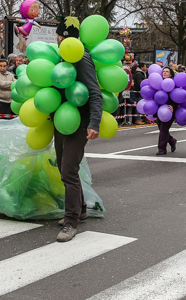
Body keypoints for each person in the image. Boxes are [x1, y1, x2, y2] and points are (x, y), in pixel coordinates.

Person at [54, 16, 102, 242]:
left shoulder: (80, 56)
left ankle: (71, 221)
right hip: (62, 120)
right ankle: (80, 209)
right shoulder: (63, 56)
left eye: (59, 35)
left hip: (78, 122)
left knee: (69, 171)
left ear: (62, 36)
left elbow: (93, 91)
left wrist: (94, 122)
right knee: (65, 170)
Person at [155, 67, 178, 155]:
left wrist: (173, 106)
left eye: (167, 71)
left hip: (169, 110)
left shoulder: (174, 84)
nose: (164, 73)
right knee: (161, 129)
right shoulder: (158, 84)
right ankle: (172, 141)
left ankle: (162, 149)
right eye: (163, 71)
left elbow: (177, 97)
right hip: (159, 109)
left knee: (164, 129)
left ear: (171, 74)